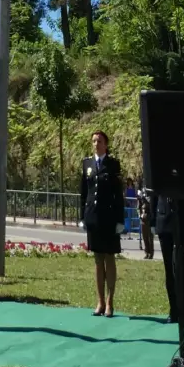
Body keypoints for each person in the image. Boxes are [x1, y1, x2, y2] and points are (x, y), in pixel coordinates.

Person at [79, 130, 123, 316]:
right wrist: (82, 216)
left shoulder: (113, 164)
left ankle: (110, 301)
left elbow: (118, 194)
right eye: (94, 141)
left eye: (99, 141)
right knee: (98, 259)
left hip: (109, 217)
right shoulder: (87, 164)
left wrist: (120, 220)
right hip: (93, 216)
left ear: (106, 144)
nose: (96, 144)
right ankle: (100, 301)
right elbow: (83, 192)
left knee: (109, 257)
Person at [152, 194, 184, 324]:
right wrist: (153, 220)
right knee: (169, 271)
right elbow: (154, 192)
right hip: (164, 220)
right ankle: (173, 310)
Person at [137, 186, 154, 260]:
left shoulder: (150, 193)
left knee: (150, 237)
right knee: (145, 237)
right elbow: (138, 206)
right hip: (143, 219)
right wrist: (139, 215)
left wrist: (143, 197)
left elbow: (149, 203)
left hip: (149, 218)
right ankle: (146, 252)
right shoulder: (141, 195)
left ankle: (151, 253)